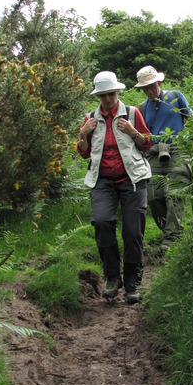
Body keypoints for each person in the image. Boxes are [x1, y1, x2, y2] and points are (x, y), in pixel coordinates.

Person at [77, 71, 152, 304]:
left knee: (132, 230)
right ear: (98, 96)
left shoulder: (131, 113)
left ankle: (133, 283)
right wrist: (83, 134)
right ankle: (112, 278)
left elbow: (147, 143)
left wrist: (132, 131)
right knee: (101, 222)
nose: (108, 99)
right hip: (102, 180)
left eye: (111, 94)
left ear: (118, 92)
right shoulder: (90, 118)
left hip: (133, 179)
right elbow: (84, 152)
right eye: (103, 95)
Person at [135, 65, 193, 251]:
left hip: (177, 150)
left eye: (152, 86)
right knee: (153, 196)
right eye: (145, 88)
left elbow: (191, 119)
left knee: (174, 193)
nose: (149, 90)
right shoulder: (142, 108)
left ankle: (170, 240)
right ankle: (170, 231)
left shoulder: (176, 96)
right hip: (154, 153)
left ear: (159, 82)